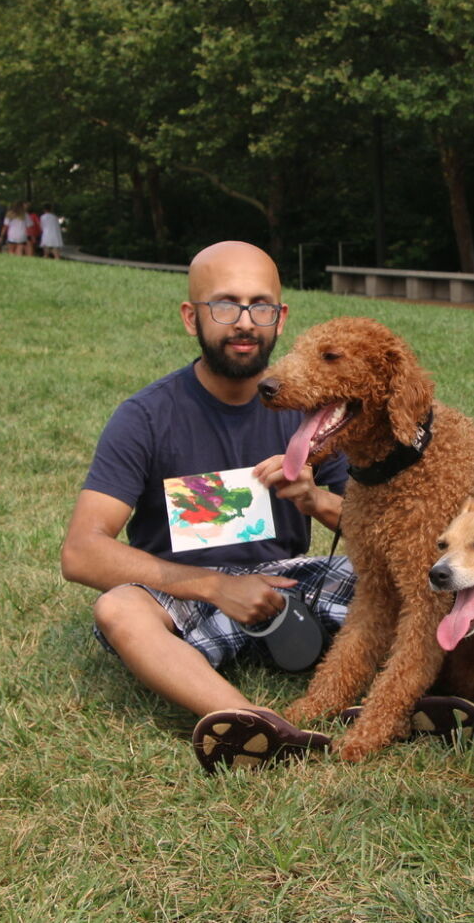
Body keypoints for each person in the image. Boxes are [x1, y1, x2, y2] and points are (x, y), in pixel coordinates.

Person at [62, 242, 356, 770]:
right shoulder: (146, 417)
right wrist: (216, 586)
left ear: (281, 318)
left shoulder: (313, 413)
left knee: (412, 574)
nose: (244, 322)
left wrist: (317, 500)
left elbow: (379, 524)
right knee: (118, 609)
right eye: (224, 305)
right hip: (183, 595)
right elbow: (82, 553)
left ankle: (403, 696)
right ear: (190, 317)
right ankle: (258, 727)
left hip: (288, 586)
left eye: (260, 306)